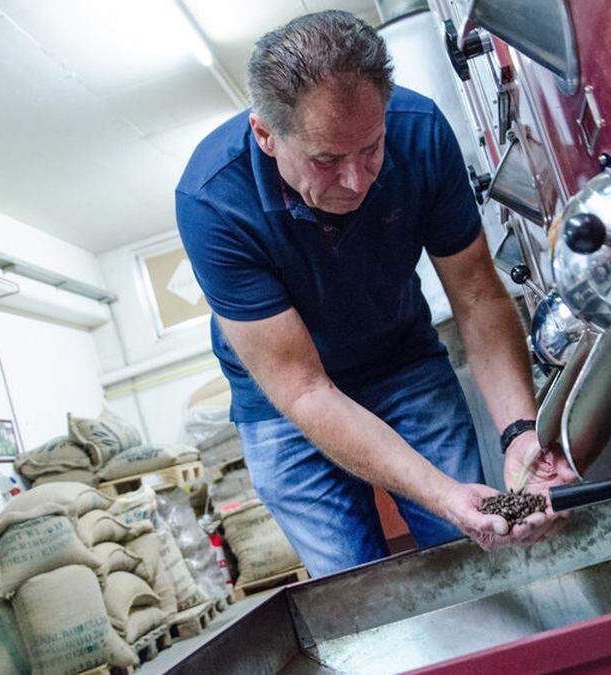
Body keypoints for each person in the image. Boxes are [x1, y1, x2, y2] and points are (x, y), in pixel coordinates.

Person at [175, 10, 576, 577]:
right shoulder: (212, 200)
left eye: (370, 148)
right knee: (356, 584)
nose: (357, 180)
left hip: (402, 363)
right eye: (326, 159)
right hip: (284, 405)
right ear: (266, 134)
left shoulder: (419, 131)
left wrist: (519, 435)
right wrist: (440, 493)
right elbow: (305, 390)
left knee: (473, 549)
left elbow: (479, 296)